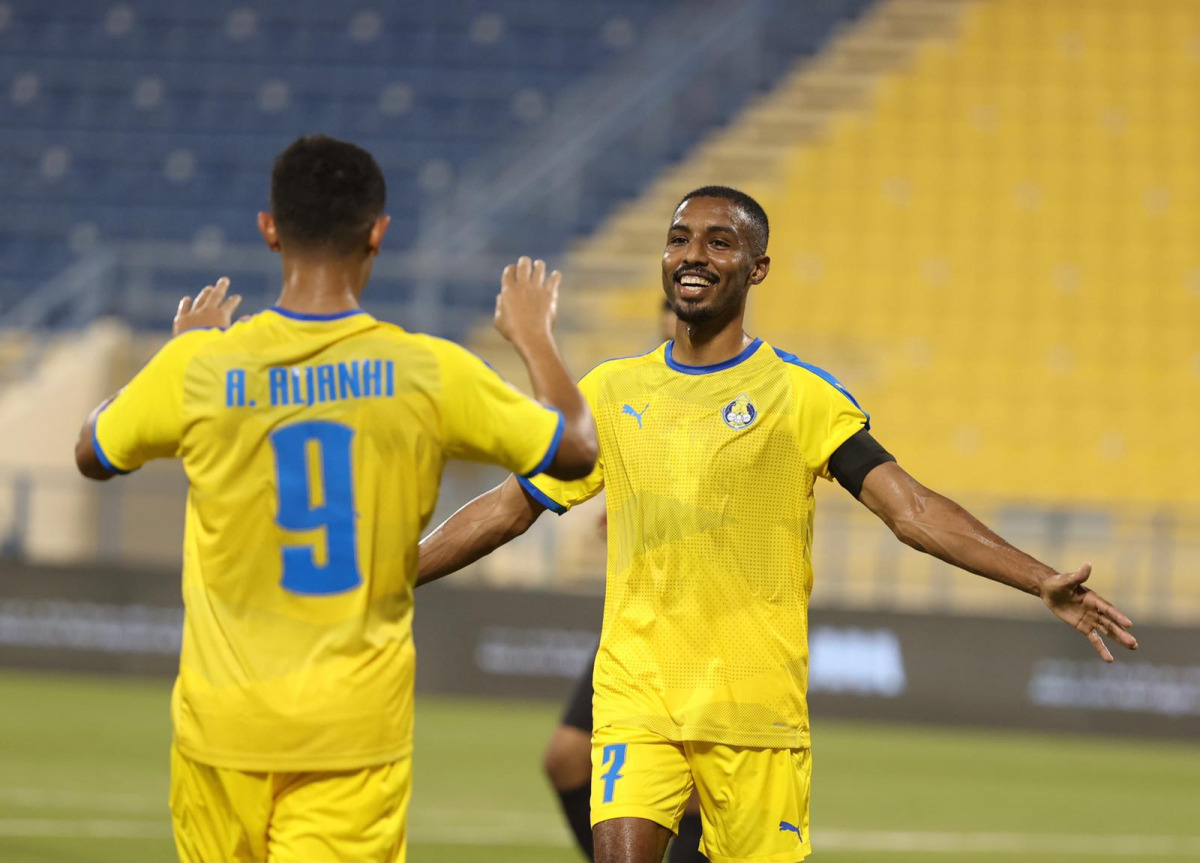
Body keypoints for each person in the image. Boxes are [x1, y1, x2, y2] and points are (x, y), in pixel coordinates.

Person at [416, 185, 1138, 863]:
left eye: (719, 242)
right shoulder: (611, 390)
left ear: (757, 269)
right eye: (679, 238)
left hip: (755, 715)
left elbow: (912, 510)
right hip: (638, 700)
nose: (693, 254)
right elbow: (507, 509)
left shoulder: (800, 395)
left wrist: (1038, 578)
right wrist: (391, 573)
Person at [73, 134, 598, 863]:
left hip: (220, 728)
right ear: (378, 231)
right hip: (351, 734)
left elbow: (91, 453)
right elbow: (577, 449)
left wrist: (177, 351)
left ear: (270, 228)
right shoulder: (427, 370)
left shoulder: (200, 366)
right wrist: (535, 335)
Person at [544, 300, 709, 863]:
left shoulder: (739, 395)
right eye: (667, 308)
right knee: (566, 758)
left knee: (694, 788)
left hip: (706, 623)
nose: (673, 318)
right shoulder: (635, 389)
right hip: (636, 621)